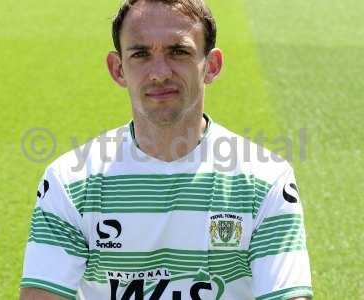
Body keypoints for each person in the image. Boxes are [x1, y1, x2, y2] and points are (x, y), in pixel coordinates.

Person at [20, 0, 313, 299]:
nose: (159, 73)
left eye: (178, 52)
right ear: (118, 69)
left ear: (211, 66)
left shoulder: (266, 180)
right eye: (141, 54)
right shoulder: (69, 180)